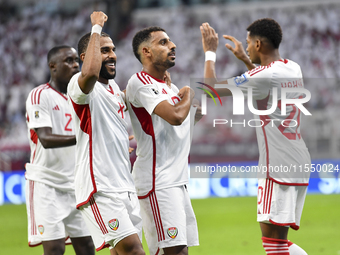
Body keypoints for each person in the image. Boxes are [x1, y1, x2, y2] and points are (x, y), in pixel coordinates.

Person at [200, 19, 310, 255]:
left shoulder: (263, 75)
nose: (246, 47)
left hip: (277, 165)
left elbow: (209, 90)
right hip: (298, 159)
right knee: (278, 241)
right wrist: (246, 60)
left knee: (273, 244)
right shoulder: (293, 67)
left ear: (258, 43)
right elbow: (264, 83)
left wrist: (210, 51)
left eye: (249, 43)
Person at [67, 11, 145, 255]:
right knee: (133, 250)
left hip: (124, 184)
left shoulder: (112, 88)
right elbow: (89, 73)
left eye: (112, 49)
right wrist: (96, 28)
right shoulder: (79, 85)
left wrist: (121, 140)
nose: (112, 55)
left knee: (122, 251)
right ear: (86, 56)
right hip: (99, 186)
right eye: (104, 50)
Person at [126, 26, 200, 255]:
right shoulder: (139, 82)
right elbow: (177, 116)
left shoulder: (169, 87)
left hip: (175, 181)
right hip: (158, 182)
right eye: (164, 42)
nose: (173, 45)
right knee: (176, 251)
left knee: (174, 251)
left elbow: (193, 116)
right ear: (146, 51)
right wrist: (188, 94)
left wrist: (210, 55)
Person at [25, 45, 95, 255]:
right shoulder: (39, 95)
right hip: (47, 184)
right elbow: (45, 138)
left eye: (76, 61)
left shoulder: (81, 98)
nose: (75, 65)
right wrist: (85, 138)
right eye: (69, 60)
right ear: (52, 66)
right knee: (55, 249)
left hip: (76, 184)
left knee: (87, 247)